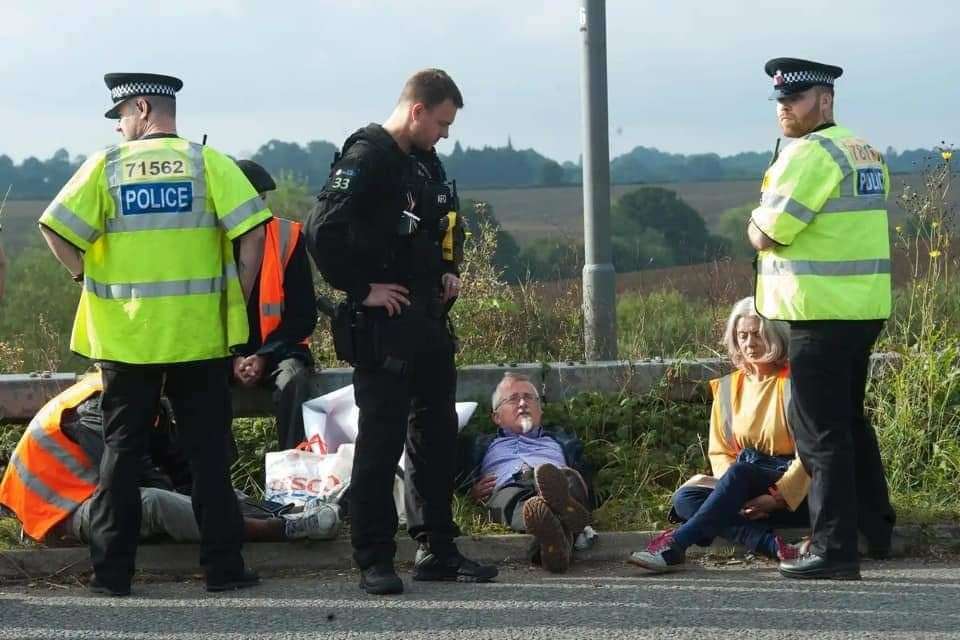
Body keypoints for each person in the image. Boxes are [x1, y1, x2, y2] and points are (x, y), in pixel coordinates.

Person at [37, 73, 271, 596]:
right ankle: (222, 569)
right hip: (198, 336)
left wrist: (83, 277)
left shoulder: (107, 166)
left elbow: (54, 227)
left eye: (121, 117)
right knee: (208, 455)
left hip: (127, 339)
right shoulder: (208, 163)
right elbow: (252, 230)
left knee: (121, 453)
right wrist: (236, 292)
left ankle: (112, 574)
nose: (120, 129)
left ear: (141, 108)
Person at [304, 68, 495, 595]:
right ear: (417, 111)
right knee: (381, 443)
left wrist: (448, 270)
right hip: (383, 327)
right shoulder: (367, 157)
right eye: (441, 122)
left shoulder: (425, 163)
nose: (445, 134)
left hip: (429, 322)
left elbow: (440, 225)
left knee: (435, 440)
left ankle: (437, 549)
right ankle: (374, 557)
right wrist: (362, 288)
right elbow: (321, 232)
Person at [747, 58, 896, 580]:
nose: (785, 108)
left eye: (795, 98)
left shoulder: (809, 155)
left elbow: (768, 233)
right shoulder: (863, 149)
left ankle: (833, 549)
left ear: (825, 99)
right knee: (850, 423)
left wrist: (753, 219)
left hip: (820, 314)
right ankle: (876, 529)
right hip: (862, 309)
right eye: (781, 101)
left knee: (819, 435)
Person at [0, 373, 339, 547]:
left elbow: (181, 471)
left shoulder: (145, 403)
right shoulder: (97, 404)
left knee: (204, 489)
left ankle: (285, 514)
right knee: (154, 502)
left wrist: (211, 495)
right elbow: (127, 474)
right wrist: (188, 498)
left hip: (85, 496)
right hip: (53, 515)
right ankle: (277, 531)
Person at [629, 297, 809, 572]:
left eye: (757, 335)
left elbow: (810, 454)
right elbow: (720, 451)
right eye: (742, 336)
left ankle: (676, 545)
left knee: (739, 473)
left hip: (793, 489)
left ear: (775, 336)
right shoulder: (728, 388)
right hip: (744, 485)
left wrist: (775, 499)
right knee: (685, 498)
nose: (749, 344)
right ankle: (775, 547)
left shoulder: (795, 382)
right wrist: (731, 495)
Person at [462, 373, 593, 573]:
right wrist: (470, 493)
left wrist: (582, 484)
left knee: (568, 480)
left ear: (540, 411)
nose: (522, 403)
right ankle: (556, 525)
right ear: (496, 416)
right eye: (513, 399)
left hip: (556, 479)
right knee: (517, 503)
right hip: (507, 486)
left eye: (529, 398)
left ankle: (550, 538)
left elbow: (585, 478)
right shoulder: (480, 445)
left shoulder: (563, 441)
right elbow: (456, 480)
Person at [232, 160, 318, 450]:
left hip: (279, 353)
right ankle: (213, 482)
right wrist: (232, 360)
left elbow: (303, 316)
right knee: (197, 389)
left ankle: (293, 469)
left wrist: (263, 356)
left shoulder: (288, 238)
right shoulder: (207, 243)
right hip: (221, 357)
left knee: (293, 380)